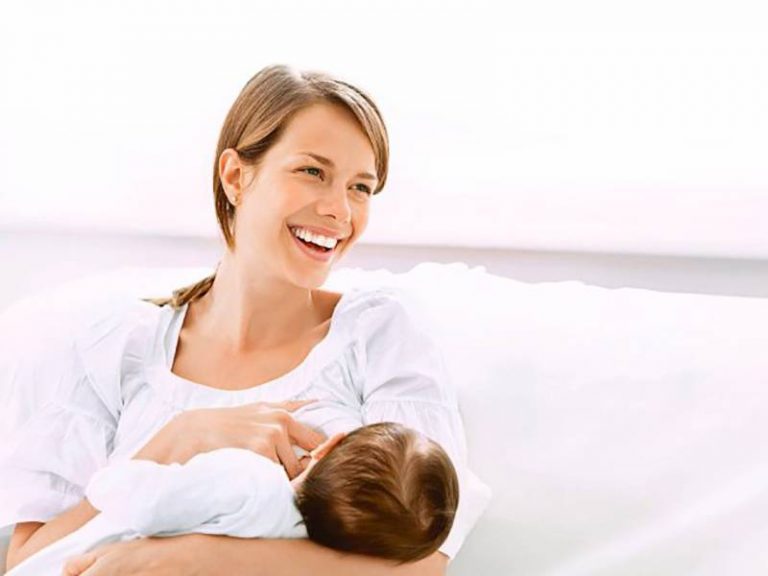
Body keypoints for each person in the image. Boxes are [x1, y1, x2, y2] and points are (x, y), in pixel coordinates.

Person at [1, 64, 491, 576]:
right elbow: (28, 562)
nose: (340, 211)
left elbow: (421, 562)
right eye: (313, 172)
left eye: (360, 188)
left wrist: (195, 559)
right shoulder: (115, 348)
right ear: (236, 177)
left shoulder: (379, 333)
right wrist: (175, 441)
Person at [7, 422, 459, 576]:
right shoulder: (290, 550)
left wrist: (115, 478)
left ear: (329, 444)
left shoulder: (249, 481)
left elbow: (148, 503)